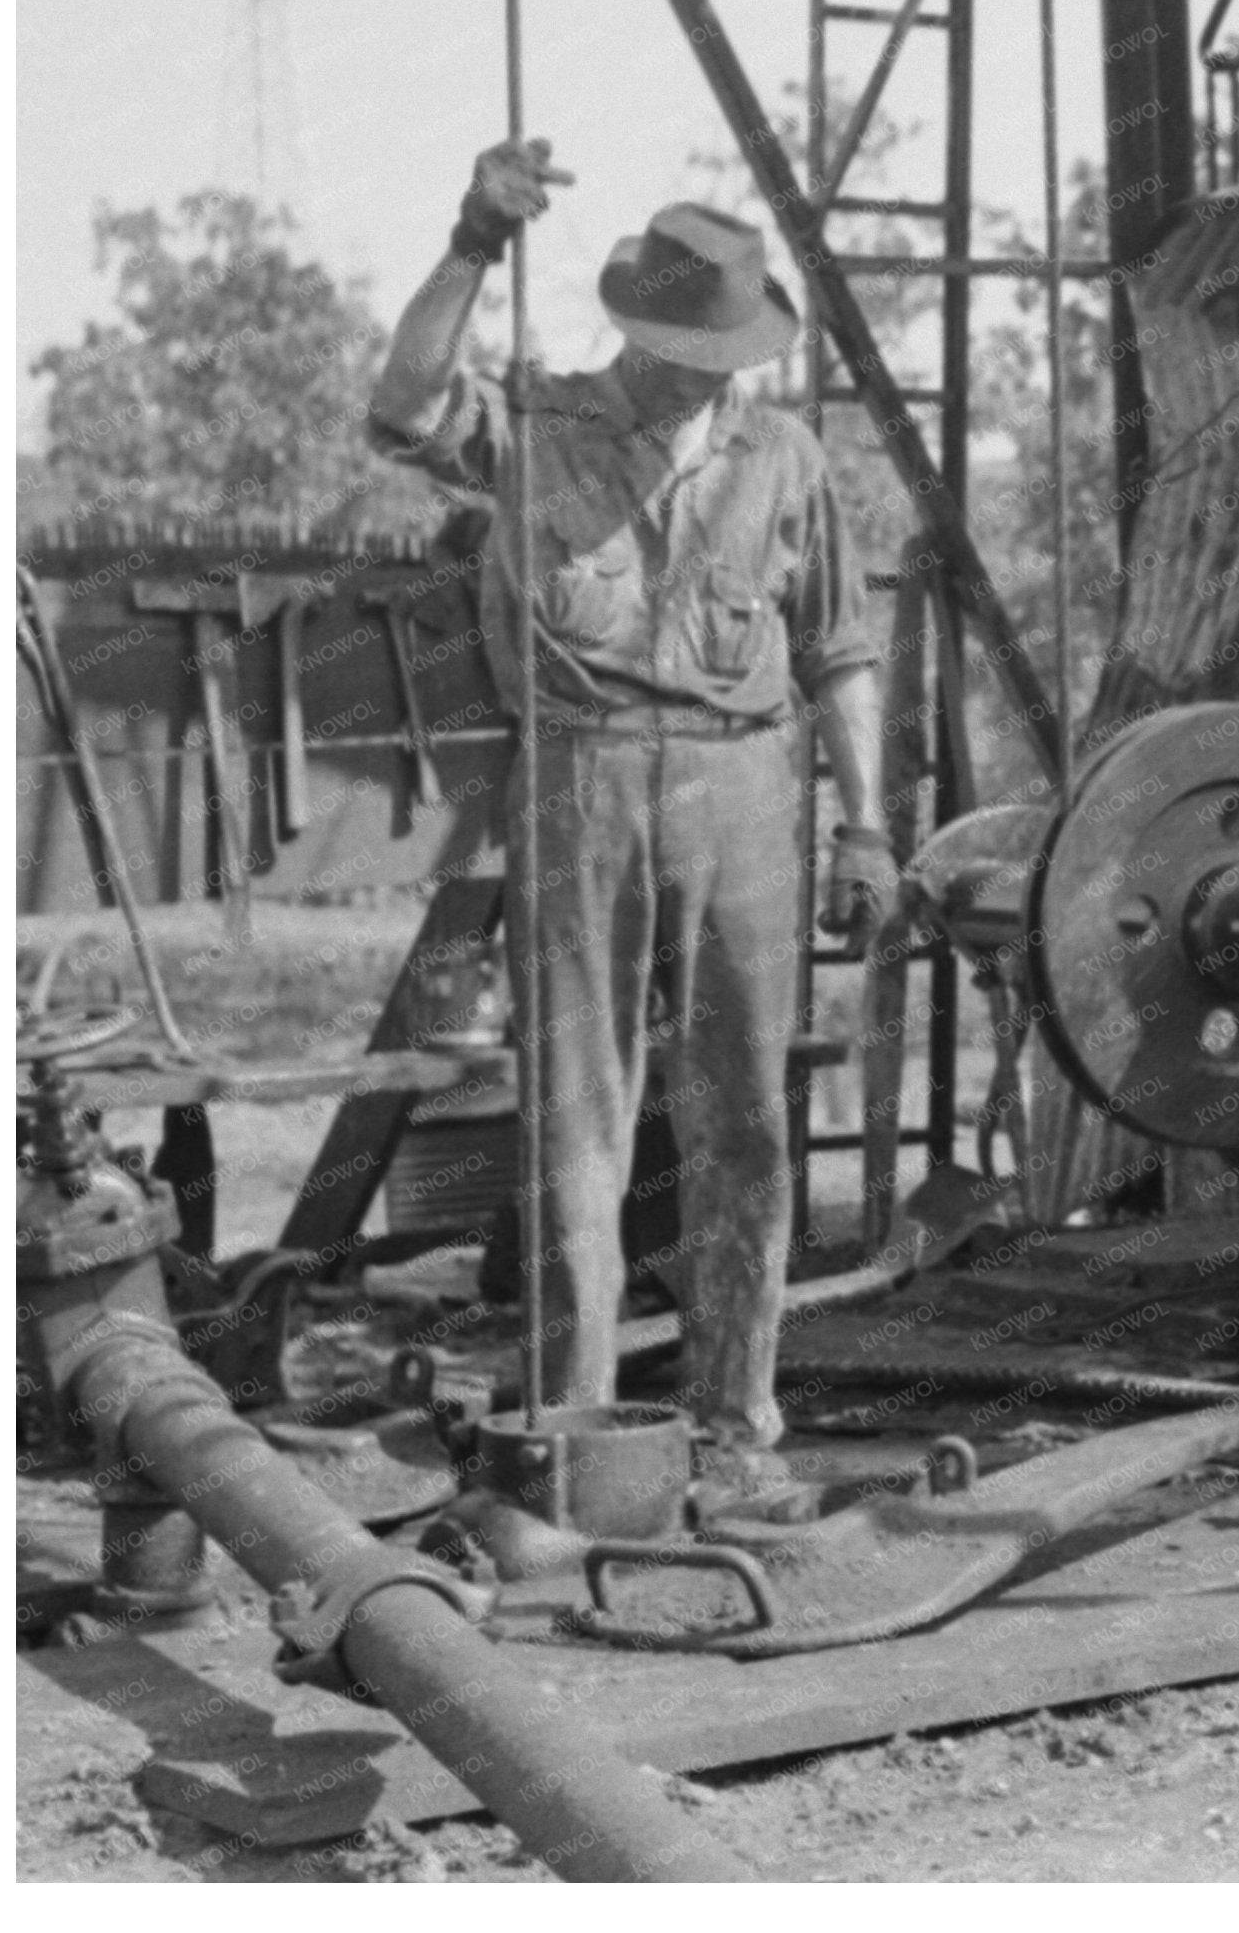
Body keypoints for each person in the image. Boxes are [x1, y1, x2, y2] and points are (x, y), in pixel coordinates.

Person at [370, 140, 897, 1517]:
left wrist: (869, 826)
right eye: (682, 344)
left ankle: (734, 1433)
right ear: (633, 328)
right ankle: (570, 1436)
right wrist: (474, 238)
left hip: (747, 792)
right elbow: (402, 396)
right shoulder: (535, 429)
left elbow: (840, 652)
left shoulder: (782, 459)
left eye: (722, 347)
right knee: (576, 1124)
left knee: (749, 1127)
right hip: (583, 782)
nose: (703, 371)